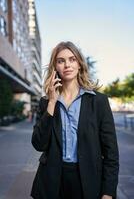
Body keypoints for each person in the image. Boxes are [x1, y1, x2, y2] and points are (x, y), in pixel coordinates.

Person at [30, 41, 119, 199]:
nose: (67, 65)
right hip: (52, 182)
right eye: (61, 61)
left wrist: (108, 191)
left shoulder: (98, 101)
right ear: (55, 67)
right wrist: (51, 102)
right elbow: (39, 144)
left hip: (88, 180)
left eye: (72, 59)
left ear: (79, 64)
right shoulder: (46, 102)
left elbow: (111, 152)